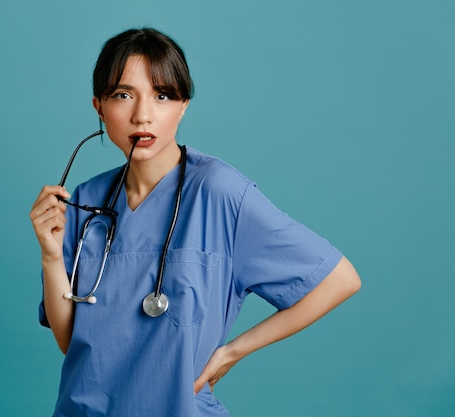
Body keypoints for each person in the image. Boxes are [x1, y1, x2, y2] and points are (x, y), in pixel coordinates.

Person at [30, 27, 361, 417]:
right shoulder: (84, 202)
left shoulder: (219, 193)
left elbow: (339, 280)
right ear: (99, 107)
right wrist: (51, 257)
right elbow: (73, 342)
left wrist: (233, 351)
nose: (142, 114)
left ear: (183, 105)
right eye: (123, 95)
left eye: (162, 95)